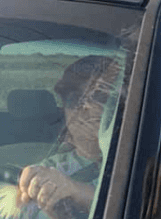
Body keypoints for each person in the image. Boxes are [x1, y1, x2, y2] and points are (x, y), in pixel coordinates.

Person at [9, 55, 121, 219]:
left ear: (117, 109)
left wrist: (74, 192)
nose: (84, 108)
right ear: (64, 110)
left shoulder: (131, 165)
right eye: (74, 100)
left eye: (98, 97)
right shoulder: (50, 168)